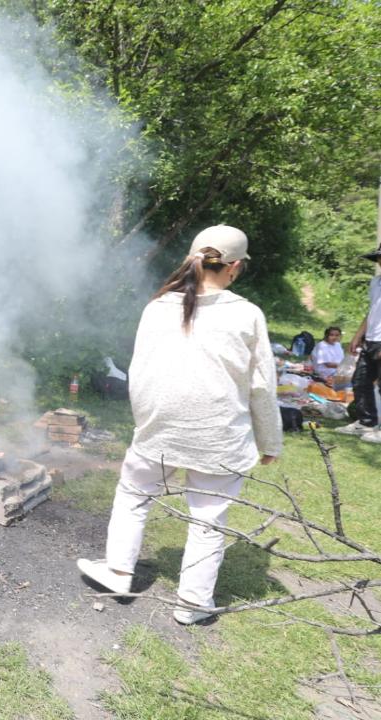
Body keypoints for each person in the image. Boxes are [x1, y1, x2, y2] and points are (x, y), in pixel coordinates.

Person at [76, 225, 282, 624]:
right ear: (235, 267)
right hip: (218, 436)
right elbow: (261, 386)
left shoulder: (157, 306)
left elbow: (140, 372)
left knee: (134, 494)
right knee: (207, 518)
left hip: (161, 427)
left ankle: (119, 574)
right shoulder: (246, 314)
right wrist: (269, 440)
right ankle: (192, 604)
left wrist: (146, 421)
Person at [337, 245, 381, 442]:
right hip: (371, 340)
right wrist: (357, 335)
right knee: (360, 381)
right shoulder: (376, 282)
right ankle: (366, 423)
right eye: (379, 259)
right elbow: (372, 312)